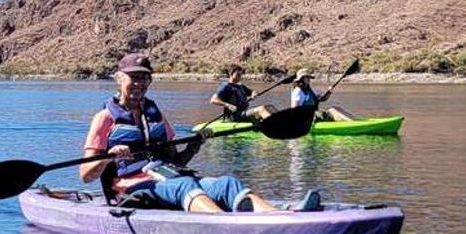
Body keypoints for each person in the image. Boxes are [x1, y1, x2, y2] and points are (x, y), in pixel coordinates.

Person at [80, 53, 316, 213]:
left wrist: (194, 146)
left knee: (227, 183)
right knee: (185, 186)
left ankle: (280, 217)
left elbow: (175, 161)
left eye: (145, 77)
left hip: (167, 177)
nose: (139, 83)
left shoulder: (155, 114)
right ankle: (227, 226)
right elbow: (86, 175)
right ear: (119, 78)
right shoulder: (105, 118)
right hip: (131, 187)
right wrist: (108, 157)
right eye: (134, 77)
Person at [291, 70, 357, 122]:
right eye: (307, 77)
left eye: (309, 77)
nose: (309, 79)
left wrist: (329, 92)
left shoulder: (309, 90)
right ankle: (354, 124)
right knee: (332, 111)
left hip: (313, 116)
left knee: (335, 108)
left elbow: (323, 99)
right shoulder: (298, 92)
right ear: (301, 78)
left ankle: (355, 121)